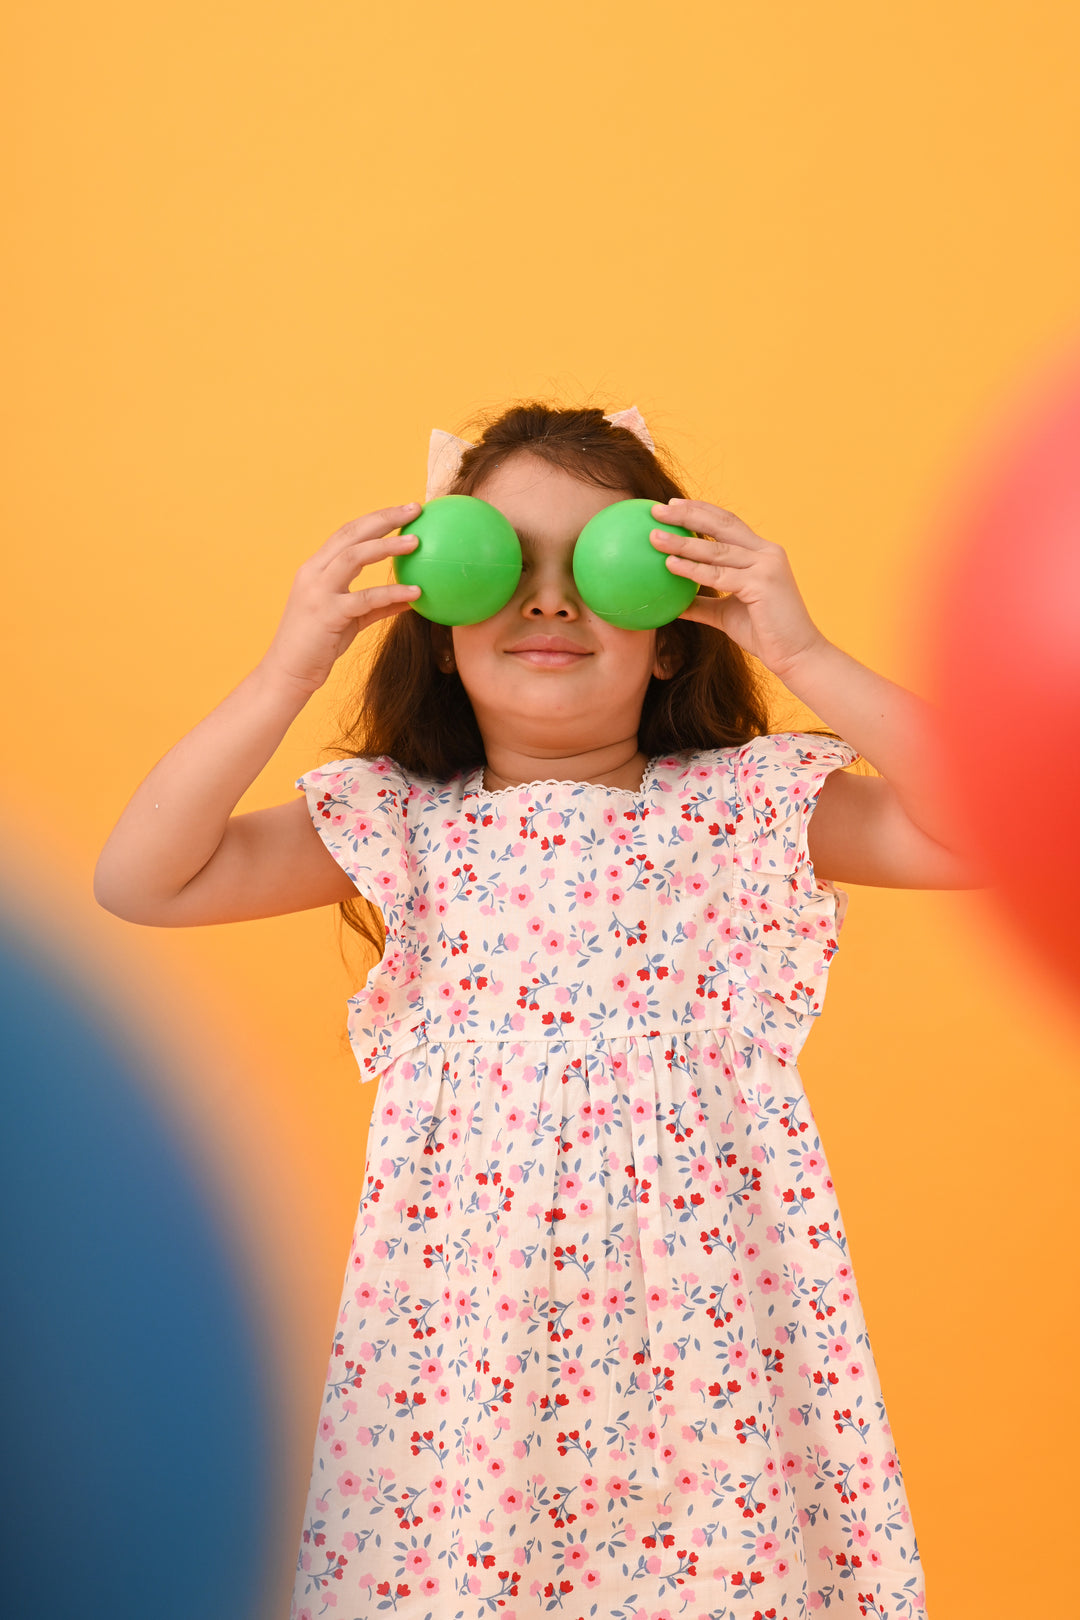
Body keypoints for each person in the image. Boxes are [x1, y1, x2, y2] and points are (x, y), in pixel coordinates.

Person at [96, 401, 977, 1619]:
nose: (551, 602)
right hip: (468, 1369)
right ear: (440, 622)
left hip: (712, 1357)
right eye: (507, 566)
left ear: (672, 633)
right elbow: (142, 880)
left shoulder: (746, 809)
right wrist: (289, 666)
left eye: (597, 568)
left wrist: (807, 651)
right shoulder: (400, 825)